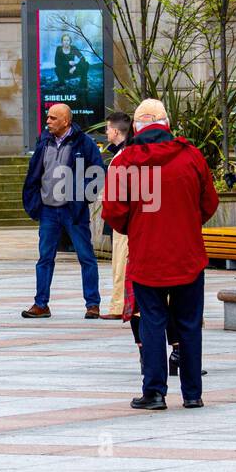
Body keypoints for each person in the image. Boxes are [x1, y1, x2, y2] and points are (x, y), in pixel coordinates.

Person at [103, 99, 218, 410]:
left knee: (152, 322)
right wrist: (188, 223)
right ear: (167, 123)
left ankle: (154, 392)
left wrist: (136, 228)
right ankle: (193, 393)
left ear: (137, 127)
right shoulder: (192, 156)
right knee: (189, 323)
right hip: (187, 255)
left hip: (147, 255)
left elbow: (113, 211)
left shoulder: (126, 161)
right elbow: (209, 202)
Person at [21, 102, 105, 319]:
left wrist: (82, 196)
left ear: (66, 121)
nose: (47, 121)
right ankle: (41, 304)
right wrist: (33, 203)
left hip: (73, 211)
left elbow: (97, 171)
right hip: (48, 210)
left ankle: (92, 304)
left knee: (86, 256)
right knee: (45, 258)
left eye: (52, 118)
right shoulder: (44, 142)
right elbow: (34, 173)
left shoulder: (83, 143)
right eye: (47, 117)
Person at [102, 110, 132, 320]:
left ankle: (119, 305)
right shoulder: (124, 153)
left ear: (114, 130)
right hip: (128, 216)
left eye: (106, 129)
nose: (105, 132)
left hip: (124, 218)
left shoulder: (123, 156)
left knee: (121, 262)